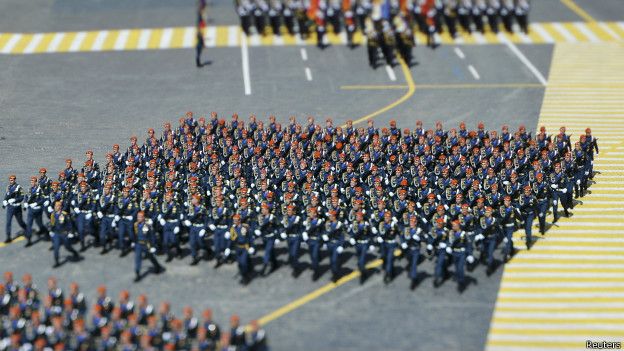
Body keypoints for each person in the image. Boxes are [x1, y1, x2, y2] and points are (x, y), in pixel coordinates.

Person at [134, 211, 164, 282]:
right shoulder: (136, 224)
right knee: (137, 258)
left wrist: (153, 246)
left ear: (143, 217)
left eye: (140, 217)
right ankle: (137, 273)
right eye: (138, 217)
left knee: (150, 257)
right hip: (138, 244)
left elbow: (152, 236)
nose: (139, 218)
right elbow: (135, 234)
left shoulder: (147, 225)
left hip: (146, 244)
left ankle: (157, 266)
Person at [50, 201, 81, 267]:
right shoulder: (53, 214)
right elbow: (52, 224)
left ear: (60, 207)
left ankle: (75, 253)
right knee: (56, 248)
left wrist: (70, 232)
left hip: (64, 234)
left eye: (57, 206)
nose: (55, 207)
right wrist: (51, 231)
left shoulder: (64, 214)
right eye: (55, 206)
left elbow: (69, 224)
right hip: (57, 234)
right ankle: (57, 262)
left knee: (68, 247)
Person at [3, 175, 26, 243]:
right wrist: (4, 201)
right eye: (10, 180)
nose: (11, 181)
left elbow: (22, 197)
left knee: (20, 222)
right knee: (8, 222)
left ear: (15, 180)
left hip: (17, 207)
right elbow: (7, 195)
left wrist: (14, 200)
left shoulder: (19, 187)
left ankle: (27, 229)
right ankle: (8, 236)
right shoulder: (8, 187)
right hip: (10, 207)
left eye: (12, 180)